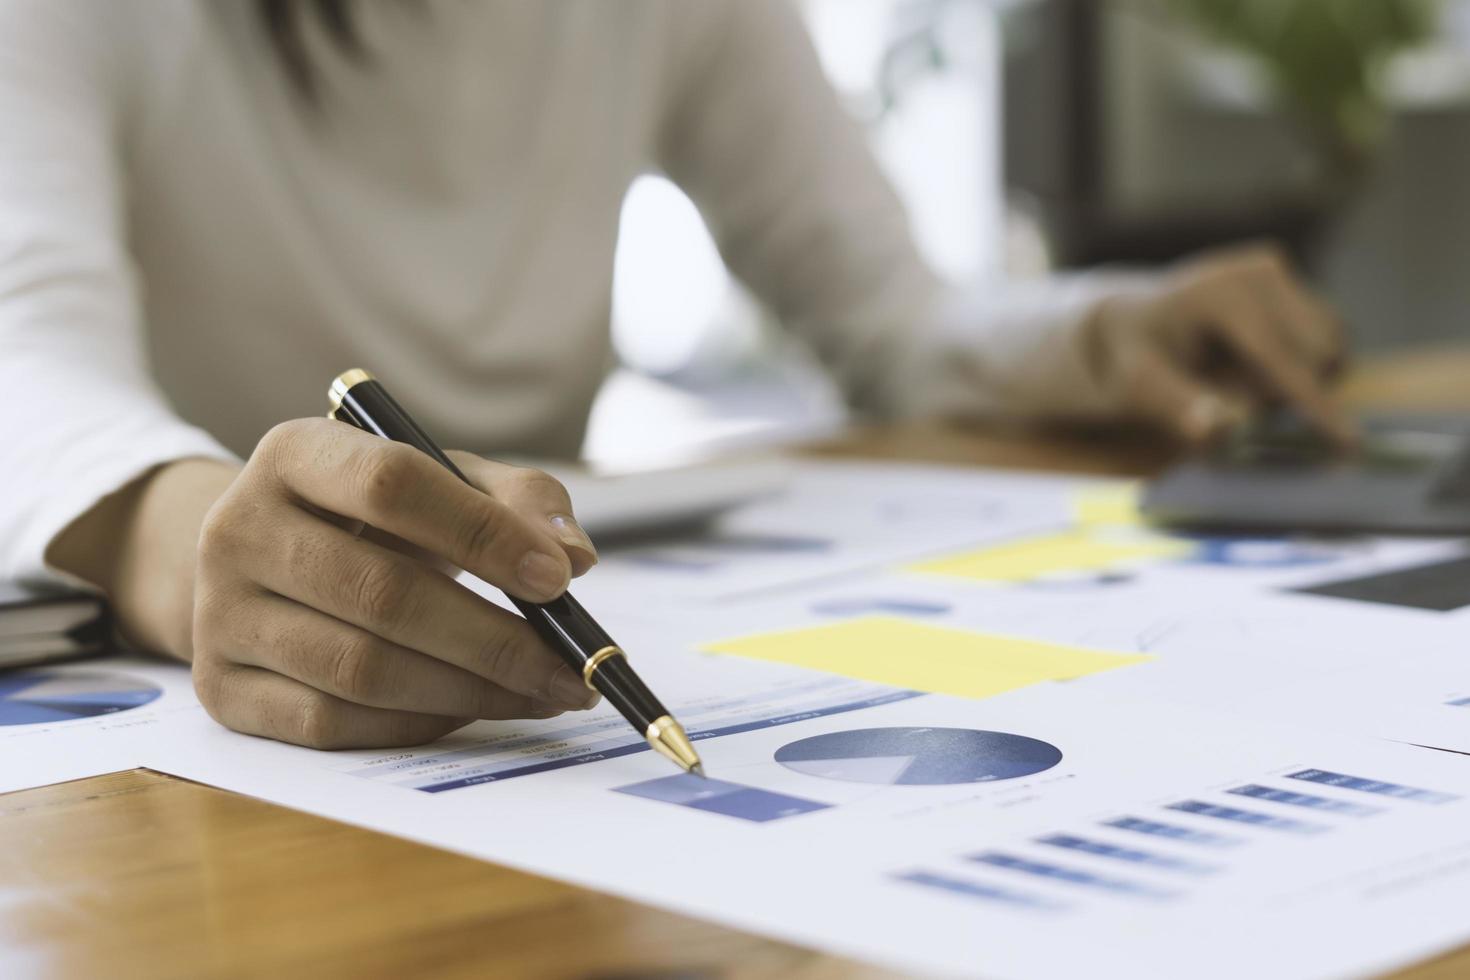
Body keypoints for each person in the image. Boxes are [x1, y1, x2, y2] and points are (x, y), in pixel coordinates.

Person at [0, 0, 1349, 750]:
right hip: (211, 708)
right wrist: (177, 542)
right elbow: (23, 350)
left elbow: (882, 315)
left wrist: (1088, 331)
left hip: (537, 635)